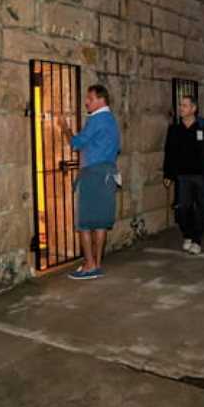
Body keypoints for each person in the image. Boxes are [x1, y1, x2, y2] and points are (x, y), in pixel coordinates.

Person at [57, 84, 121, 279]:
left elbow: (76, 143)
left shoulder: (97, 119)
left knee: (84, 223)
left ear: (101, 100)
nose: (86, 102)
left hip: (93, 173)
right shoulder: (111, 120)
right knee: (100, 222)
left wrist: (65, 127)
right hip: (108, 173)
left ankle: (90, 266)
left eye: (90, 98)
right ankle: (97, 263)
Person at [163, 95, 204, 255]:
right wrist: (168, 174)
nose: (181, 108)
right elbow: (169, 153)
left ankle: (196, 240)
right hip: (183, 176)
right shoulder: (174, 130)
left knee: (200, 209)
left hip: (201, 176)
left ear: (193, 108)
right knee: (182, 208)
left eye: (185, 105)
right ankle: (187, 234)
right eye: (180, 105)